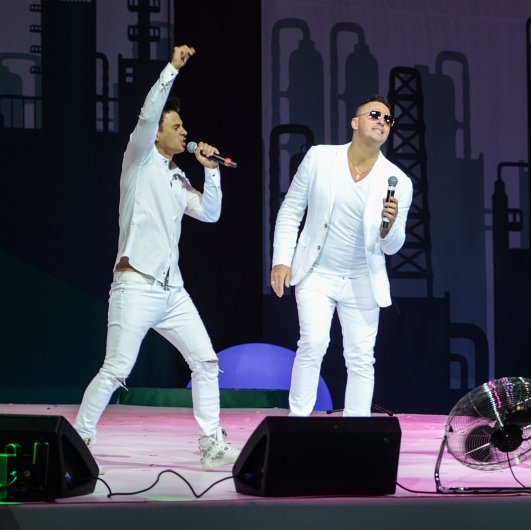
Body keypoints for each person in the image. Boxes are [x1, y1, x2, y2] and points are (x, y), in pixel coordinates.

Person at [73, 45, 240, 471]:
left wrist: (212, 170)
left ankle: (211, 443)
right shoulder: (140, 159)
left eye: (184, 126)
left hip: (172, 291)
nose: (185, 132)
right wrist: (171, 70)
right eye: (177, 126)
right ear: (158, 133)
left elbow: (210, 213)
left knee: (206, 362)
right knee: (115, 369)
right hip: (135, 285)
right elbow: (149, 115)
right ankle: (79, 439)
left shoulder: (177, 176)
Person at [270, 96, 412, 417]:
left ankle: (356, 430)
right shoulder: (320, 158)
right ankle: (297, 422)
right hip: (317, 272)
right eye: (374, 115)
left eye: (388, 119)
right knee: (313, 343)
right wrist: (281, 259)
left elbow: (392, 246)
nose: (382, 122)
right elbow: (291, 209)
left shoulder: (398, 181)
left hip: (362, 279)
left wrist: (388, 226)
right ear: (355, 122)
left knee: (361, 357)